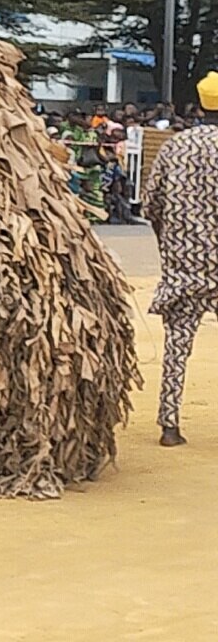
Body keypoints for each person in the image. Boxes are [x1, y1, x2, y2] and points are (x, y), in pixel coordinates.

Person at [141, 72, 218, 448]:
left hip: (183, 266)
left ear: (201, 105)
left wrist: (170, 242)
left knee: (177, 347)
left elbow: (150, 202)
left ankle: (169, 425)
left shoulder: (175, 147)